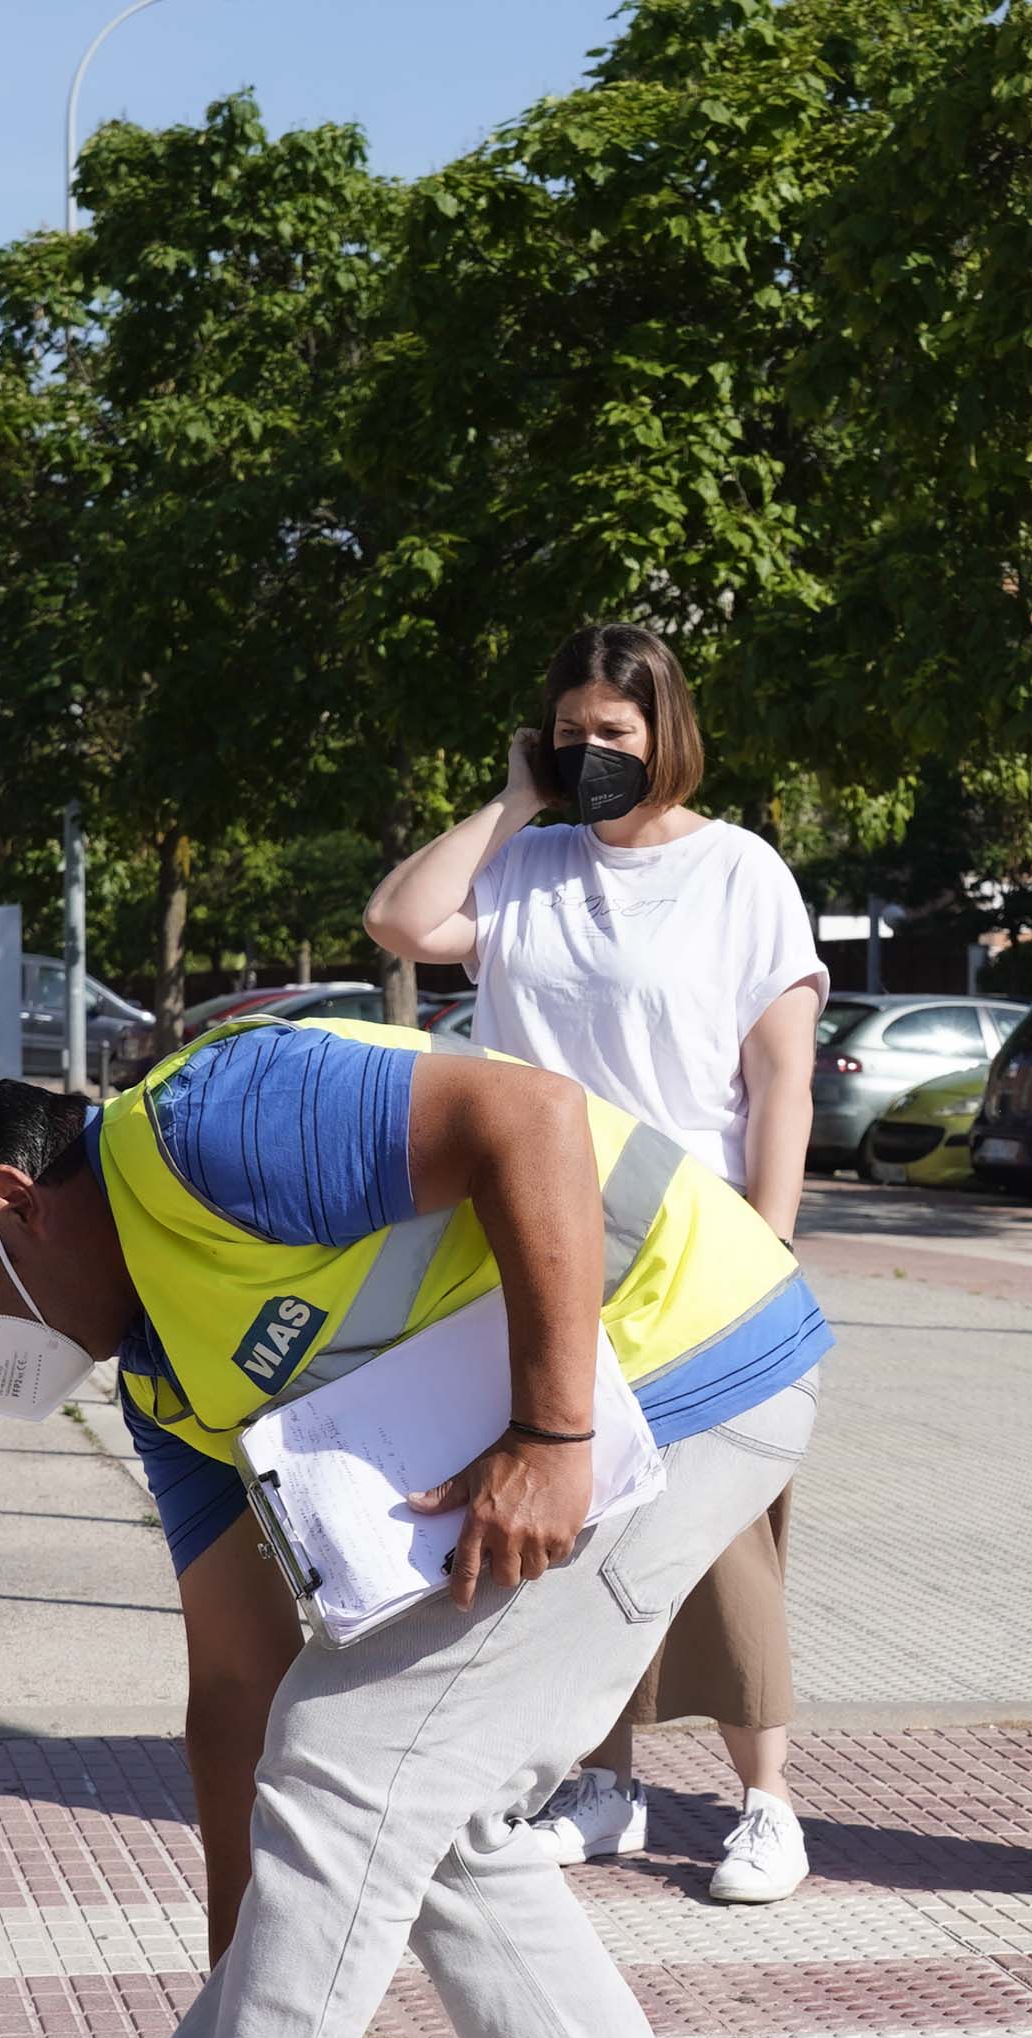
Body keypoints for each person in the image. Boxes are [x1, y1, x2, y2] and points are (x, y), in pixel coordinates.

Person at [0, 1013, 833, 2038]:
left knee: (362, 1751)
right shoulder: (169, 1379)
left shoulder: (203, 1128)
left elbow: (531, 1116)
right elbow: (237, 1693)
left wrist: (552, 1435)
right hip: (637, 1387)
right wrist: (262, 2011)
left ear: (12, 1203)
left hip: (678, 1359)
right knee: (426, 1800)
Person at [364, 626, 828, 1902]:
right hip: (533, 1233)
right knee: (569, 1506)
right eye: (569, 733)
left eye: (613, 732)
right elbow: (399, 920)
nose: (591, 751)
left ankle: (767, 1800)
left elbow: (780, 1081)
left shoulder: (740, 871)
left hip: (694, 1244)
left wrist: (772, 1242)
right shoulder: (527, 865)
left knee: (722, 1530)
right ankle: (602, 1781)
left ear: (666, 730)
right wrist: (518, 799)